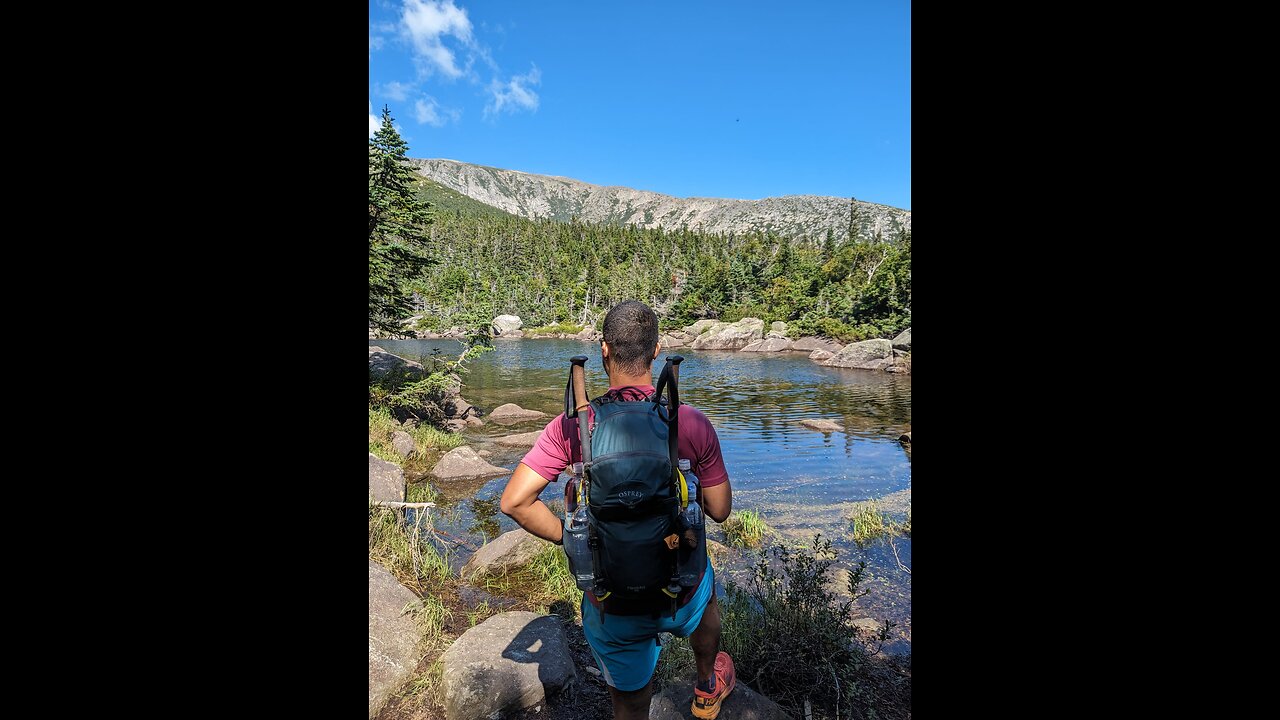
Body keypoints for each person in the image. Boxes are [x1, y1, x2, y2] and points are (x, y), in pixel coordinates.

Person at [500, 300, 736, 720]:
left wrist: (570, 537)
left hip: (611, 599)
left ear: (604, 350)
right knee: (706, 585)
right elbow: (719, 510)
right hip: (682, 592)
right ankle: (705, 688)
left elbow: (515, 502)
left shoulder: (573, 426)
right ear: (657, 351)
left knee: (628, 704)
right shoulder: (691, 422)